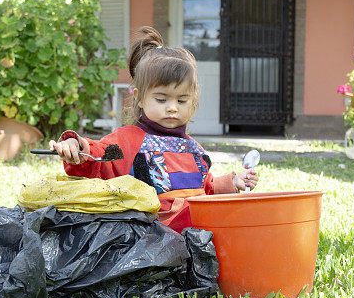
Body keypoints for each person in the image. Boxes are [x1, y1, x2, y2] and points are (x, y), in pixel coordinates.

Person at [48, 26, 258, 232]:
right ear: (139, 97)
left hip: (194, 237)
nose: (172, 108)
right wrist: (75, 146)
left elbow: (204, 187)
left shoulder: (194, 149)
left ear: (193, 101)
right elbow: (97, 158)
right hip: (151, 240)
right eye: (161, 99)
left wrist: (233, 182)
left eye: (182, 100)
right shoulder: (129, 139)